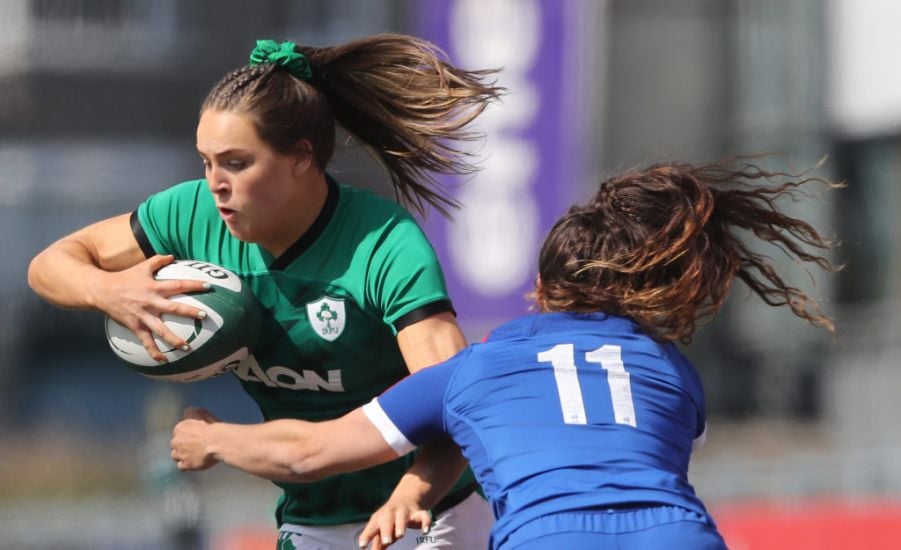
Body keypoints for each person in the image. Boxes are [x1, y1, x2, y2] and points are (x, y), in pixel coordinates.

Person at [170, 157, 840, 549]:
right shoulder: (671, 372)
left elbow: (308, 453)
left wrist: (213, 439)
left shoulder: (471, 371)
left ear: (539, 289)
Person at [28, 35, 503, 549]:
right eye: (206, 161)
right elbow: (49, 264)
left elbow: (458, 401)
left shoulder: (382, 244)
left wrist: (411, 496)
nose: (214, 183)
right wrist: (109, 290)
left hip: (435, 510)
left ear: (301, 157)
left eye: (235, 162)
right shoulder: (191, 216)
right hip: (313, 515)